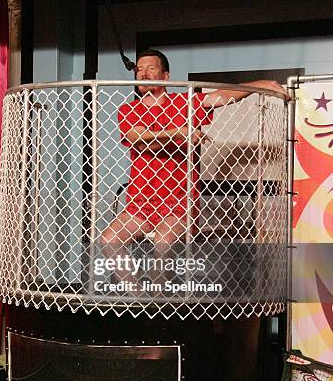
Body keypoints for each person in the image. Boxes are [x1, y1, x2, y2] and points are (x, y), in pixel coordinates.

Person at [101, 49, 288, 254]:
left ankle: (158, 287)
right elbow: (139, 139)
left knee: (164, 241)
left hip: (178, 201)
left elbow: (221, 96)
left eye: (151, 68)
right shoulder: (129, 109)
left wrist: (261, 85)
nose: (143, 73)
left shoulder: (184, 103)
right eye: (140, 69)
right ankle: (136, 289)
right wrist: (180, 132)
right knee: (109, 241)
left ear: (165, 76)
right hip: (140, 201)